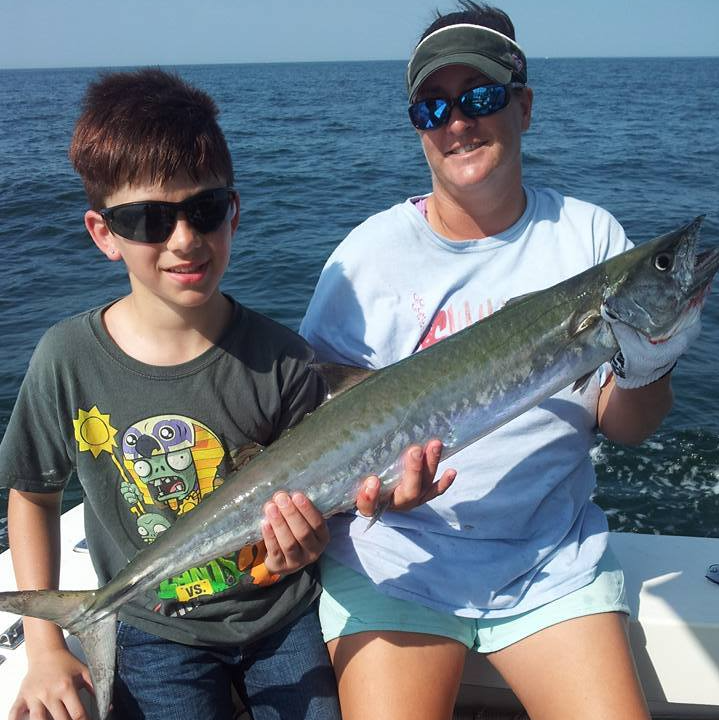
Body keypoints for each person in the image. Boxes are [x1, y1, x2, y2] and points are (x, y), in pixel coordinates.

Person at [0, 69, 453, 720]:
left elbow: (315, 512)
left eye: (204, 210)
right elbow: (34, 496)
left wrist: (303, 543)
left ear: (233, 213)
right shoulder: (66, 360)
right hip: (155, 625)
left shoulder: (287, 363)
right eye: (149, 220)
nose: (184, 239)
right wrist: (45, 644)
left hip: (279, 616)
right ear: (104, 233)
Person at [300, 3, 704, 719]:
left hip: (550, 566)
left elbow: (627, 426)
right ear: (418, 126)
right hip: (396, 566)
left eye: (481, 97)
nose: (459, 123)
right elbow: (319, 418)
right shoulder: (363, 261)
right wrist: (373, 492)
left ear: (523, 106)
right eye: (433, 108)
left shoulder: (589, 236)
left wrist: (650, 363)